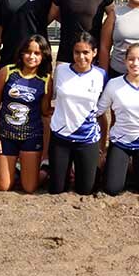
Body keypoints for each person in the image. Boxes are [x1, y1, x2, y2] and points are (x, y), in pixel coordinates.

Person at [97, 43, 139, 196]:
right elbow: (98, 111)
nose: (136, 63)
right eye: (131, 59)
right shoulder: (113, 84)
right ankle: (116, 165)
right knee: (112, 189)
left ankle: (136, 168)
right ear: (125, 61)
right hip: (120, 142)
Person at [0, 35, 53, 194]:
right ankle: (15, 169)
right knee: (4, 186)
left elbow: (45, 111)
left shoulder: (45, 80)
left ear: (43, 56)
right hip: (6, 135)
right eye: (28, 52)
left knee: (29, 188)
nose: (31, 57)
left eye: (37, 53)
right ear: (21, 53)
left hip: (31, 137)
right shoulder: (8, 72)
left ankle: (44, 170)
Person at [48, 33, 107, 195]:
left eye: (86, 52)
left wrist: (102, 146)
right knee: (56, 189)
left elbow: (101, 113)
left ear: (94, 52)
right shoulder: (60, 70)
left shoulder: (101, 75)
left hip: (87, 139)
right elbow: (50, 98)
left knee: (85, 190)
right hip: (61, 138)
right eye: (77, 52)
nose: (81, 57)